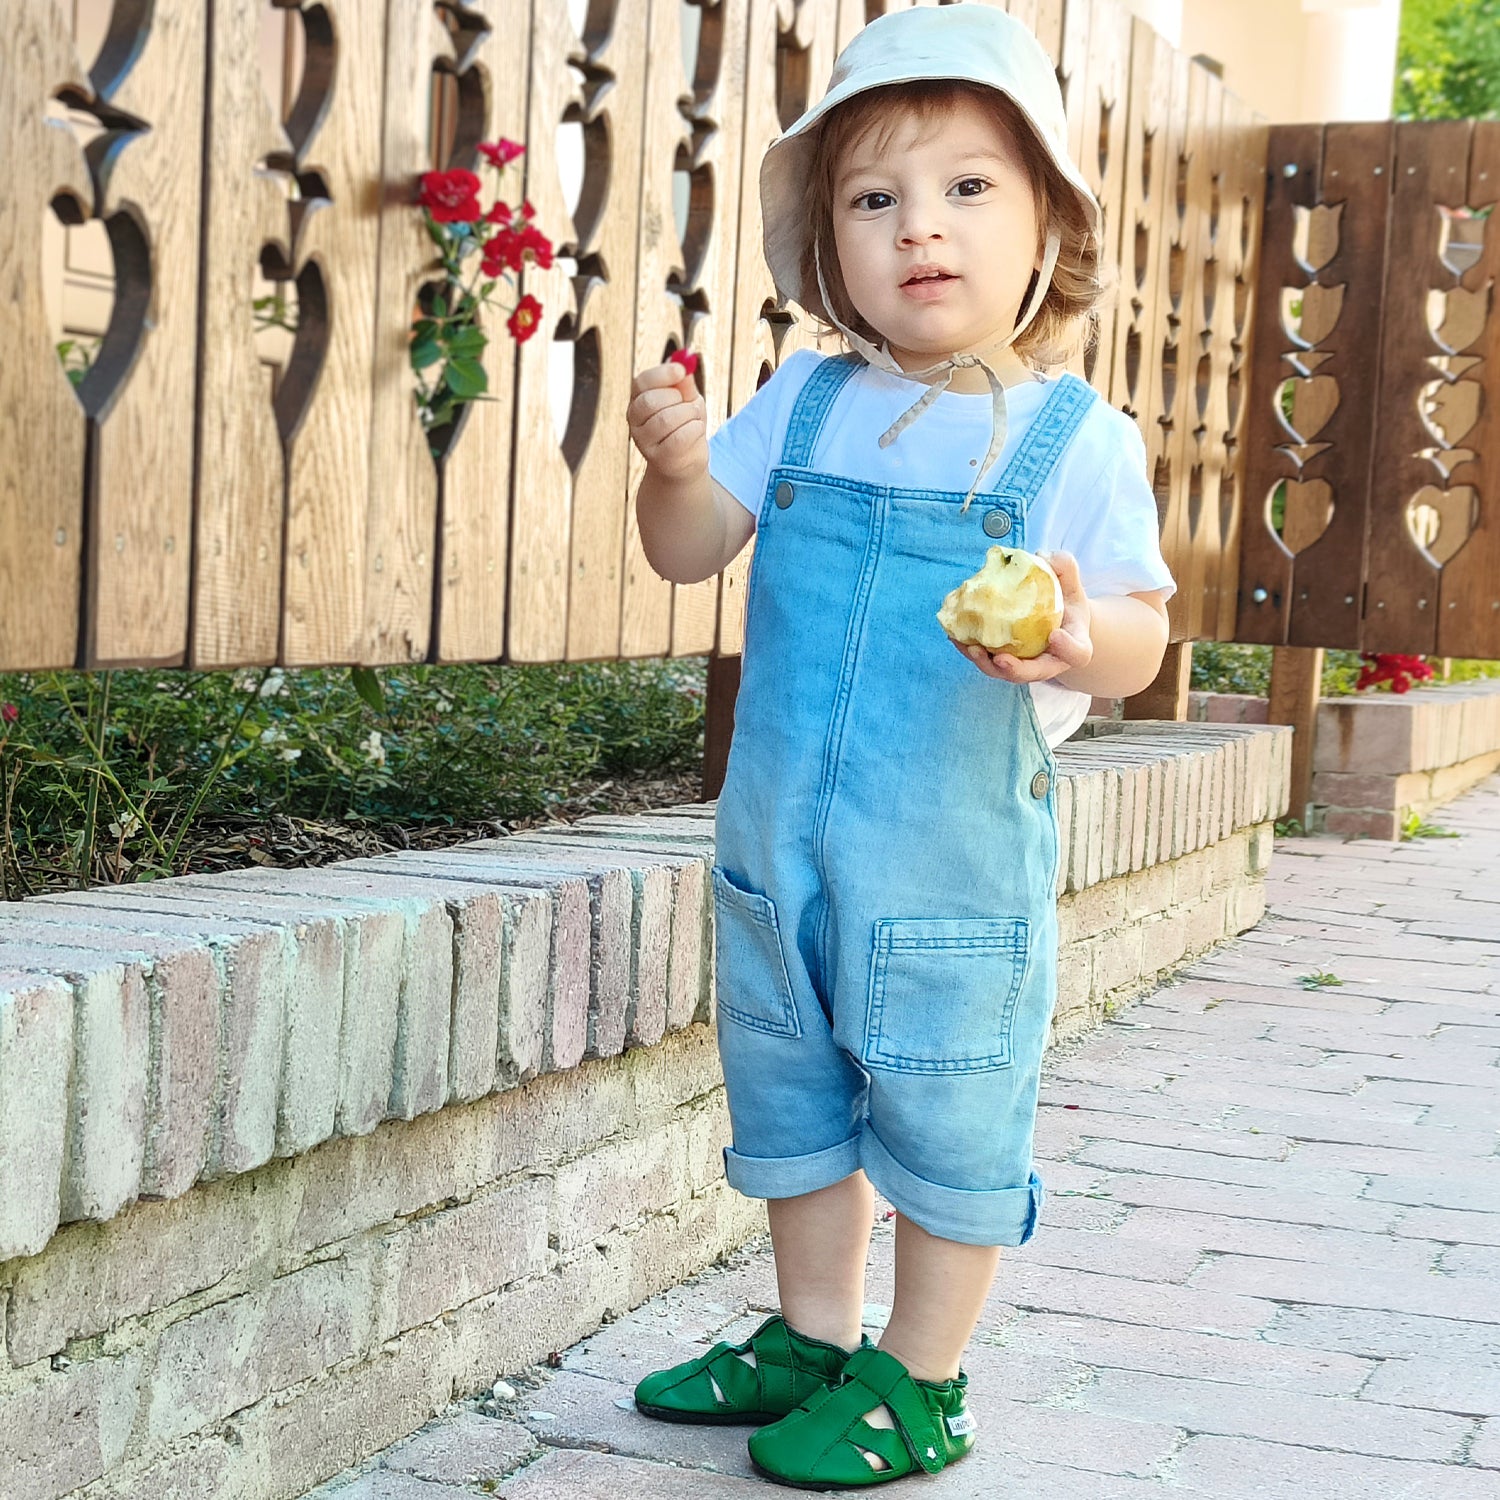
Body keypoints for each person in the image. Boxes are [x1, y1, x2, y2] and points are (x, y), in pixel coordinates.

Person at [623, 4, 1174, 1488]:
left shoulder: (1071, 438)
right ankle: (815, 1335)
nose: (919, 226)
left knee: (944, 1099)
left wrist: (1078, 637)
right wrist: (676, 469)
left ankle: (925, 1378)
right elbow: (688, 548)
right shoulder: (806, 403)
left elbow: (1139, 630)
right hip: (779, 847)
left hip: (949, 872)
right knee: (791, 1085)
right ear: (828, 245)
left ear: (1049, 223)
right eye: (874, 198)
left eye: (967, 187)